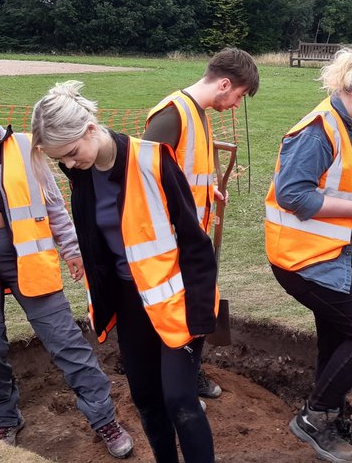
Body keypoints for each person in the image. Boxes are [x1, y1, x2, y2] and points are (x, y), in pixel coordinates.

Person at [0, 78, 132, 457]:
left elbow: (53, 206)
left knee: (66, 343)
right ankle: (5, 419)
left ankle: (104, 420)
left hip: (28, 262)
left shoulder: (26, 148)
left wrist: (72, 250)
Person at [29, 81, 218, 463]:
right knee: (146, 400)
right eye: (59, 160)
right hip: (131, 302)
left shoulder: (153, 160)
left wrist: (200, 313)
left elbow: (195, 243)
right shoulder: (81, 173)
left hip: (177, 299)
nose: (68, 164)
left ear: (90, 129)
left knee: (180, 399)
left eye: (70, 153)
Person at [264, 47, 352, 462]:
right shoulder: (318, 131)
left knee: (339, 335)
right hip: (305, 258)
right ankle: (315, 416)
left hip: (342, 249)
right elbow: (290, 193)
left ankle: (330, 418)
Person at [144, 46, 260, 400]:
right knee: (176, 315)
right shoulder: (171, 116)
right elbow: (145, 184)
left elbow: (178, 172)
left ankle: (187, 377)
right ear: (225, 84)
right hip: (171, 243)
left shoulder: (199, 114)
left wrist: (207, 190)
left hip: (192, 239)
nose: (237, 104)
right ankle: (170, 386)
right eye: (239, 95)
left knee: (196, 311)